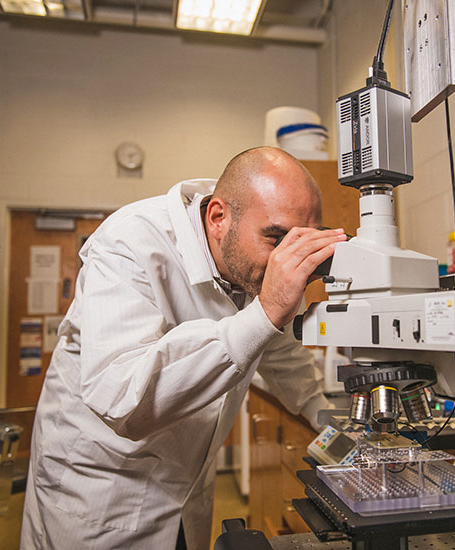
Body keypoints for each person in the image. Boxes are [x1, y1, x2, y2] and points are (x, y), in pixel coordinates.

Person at [20, 147, 346, 549]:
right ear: (218, 218)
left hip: (185, 487)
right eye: (275, 238)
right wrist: (264, 312)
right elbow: (123, 398)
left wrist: (326, 414)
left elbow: (278, 350)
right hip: (103, 495)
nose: (284, 260)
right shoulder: (130, 244)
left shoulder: (248, 265)